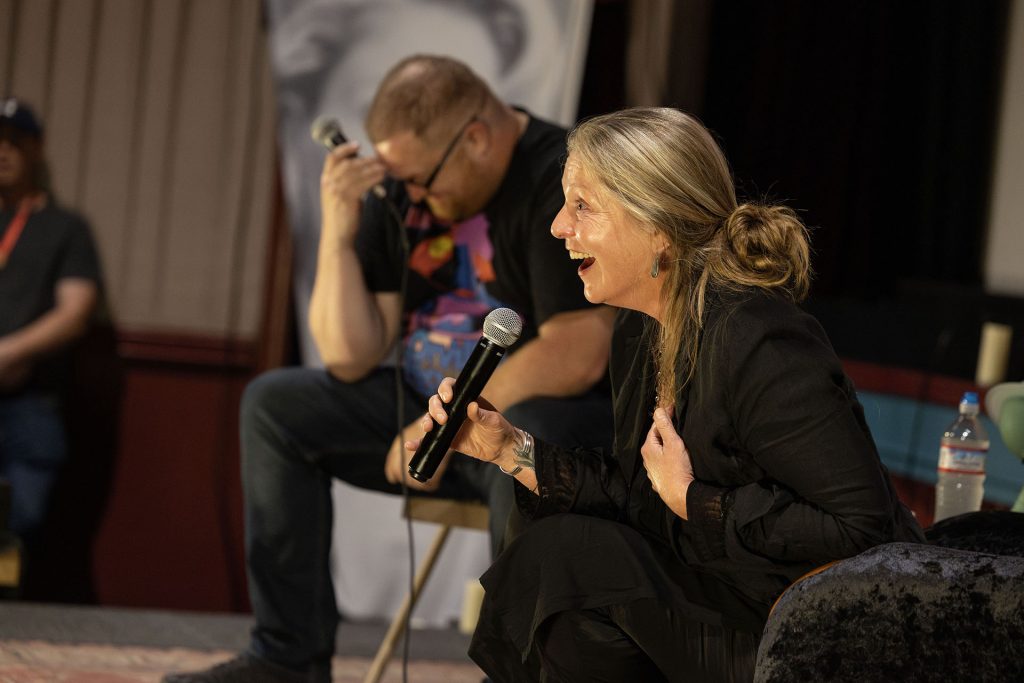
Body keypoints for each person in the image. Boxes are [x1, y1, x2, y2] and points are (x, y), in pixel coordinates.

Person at [414, 107, 927, 682]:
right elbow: (637, 493)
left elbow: (861, 528)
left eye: (582, 206)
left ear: (657, 225)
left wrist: (694, 500)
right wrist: (511, 450)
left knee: (568, 555)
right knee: (544, 528)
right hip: (725, 588)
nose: (559, 226)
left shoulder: (760, 339)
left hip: (810, 628)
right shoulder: (642, 327)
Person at [163, 56, 614, 683]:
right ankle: (287, 659)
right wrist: (339, 233)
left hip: (516, 419)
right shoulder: (402, 188)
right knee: (276, 405)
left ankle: (523, 673)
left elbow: (577, 349)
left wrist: (446, 424)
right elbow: (349, 354)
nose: (414, 198)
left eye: (424, 183)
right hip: (420, 411)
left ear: (476, 138)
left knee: (535, 433)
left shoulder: (555, 178)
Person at [0, 98, 102, 551]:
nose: (2, 152)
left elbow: (75, 312)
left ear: (36, 150)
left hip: (30, 399)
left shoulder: (65, 227)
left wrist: (10, 352)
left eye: (14, 143)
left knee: (16, 522)